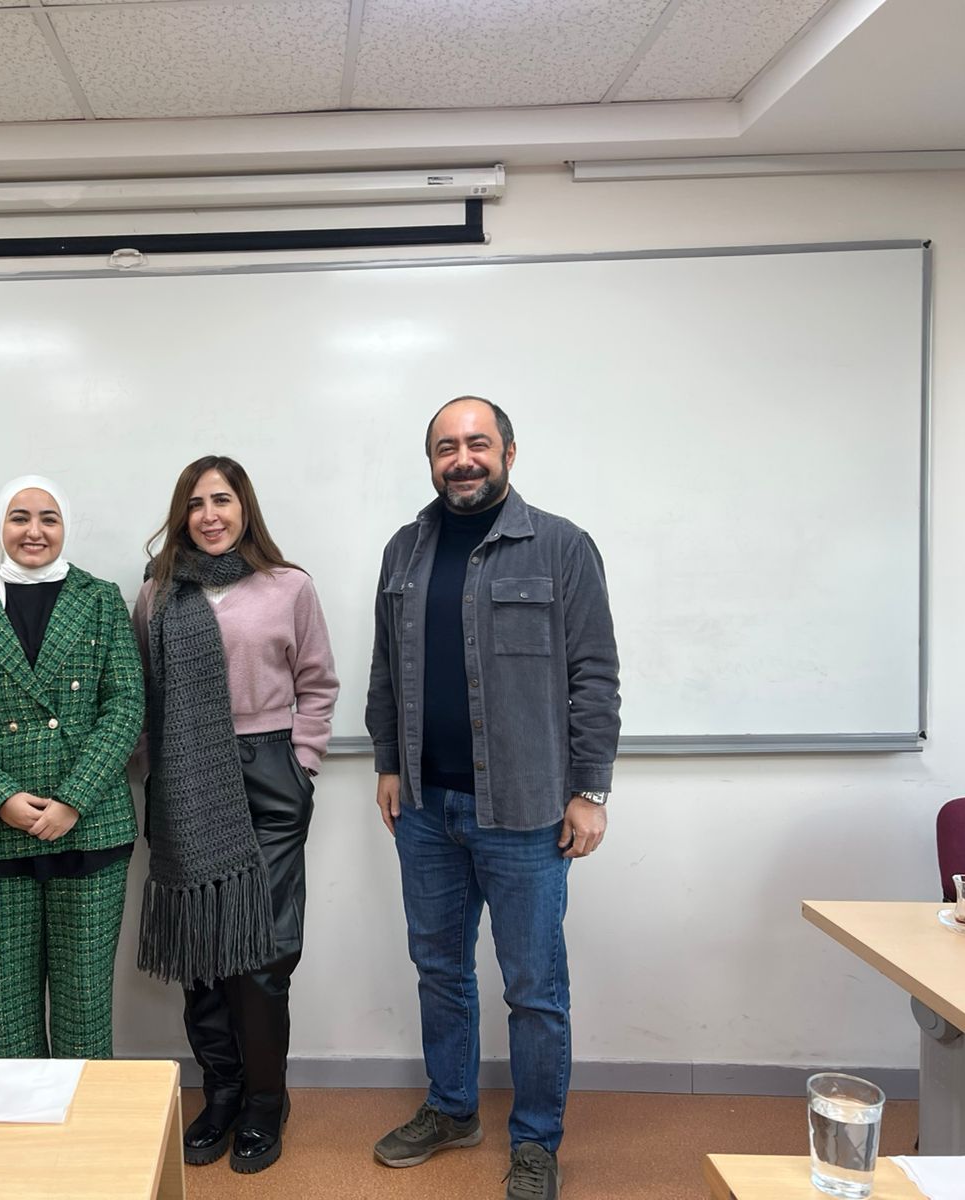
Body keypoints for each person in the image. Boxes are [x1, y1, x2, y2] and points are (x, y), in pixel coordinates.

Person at [366, 396, 621, 1200]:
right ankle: (452, 1109)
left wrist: (590, 790)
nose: (462, 458)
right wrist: (387, 761)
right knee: (439, 969)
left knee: (533, 989)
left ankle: (537, 1142)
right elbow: (386, 668)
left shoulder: (561, 546)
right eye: (446, 447)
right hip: (426, 809)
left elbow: (595, 675)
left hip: (527, 810)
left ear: (510, 452)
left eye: (478, 443)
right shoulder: (404, 549)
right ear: (431, 461)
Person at [132, 455, 339, 1175]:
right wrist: (155, 772)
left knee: (261, 955)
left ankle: (264, 1102)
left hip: (268, 775)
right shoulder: (158, 594)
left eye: (221, 500)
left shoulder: (289, 586)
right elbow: (143, 695)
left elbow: (318, 682)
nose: (209, 515)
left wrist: (302, 766)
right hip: (185, 776)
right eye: (195, 504)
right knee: (202, 949)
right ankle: (220, 1095)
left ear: (244, 508)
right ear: (182, 515)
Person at [0, 476, 143, 1059]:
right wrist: (0, 798)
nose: (34, 530)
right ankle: (18, 1118)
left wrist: (73, 799)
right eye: (19, 517)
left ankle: (83, 1118)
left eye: (49, 518)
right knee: (4, 1014)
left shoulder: (101, 599)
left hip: (90, 828)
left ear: (64, 526)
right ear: (1, 526)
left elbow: (125, 704)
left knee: (84, 1007)